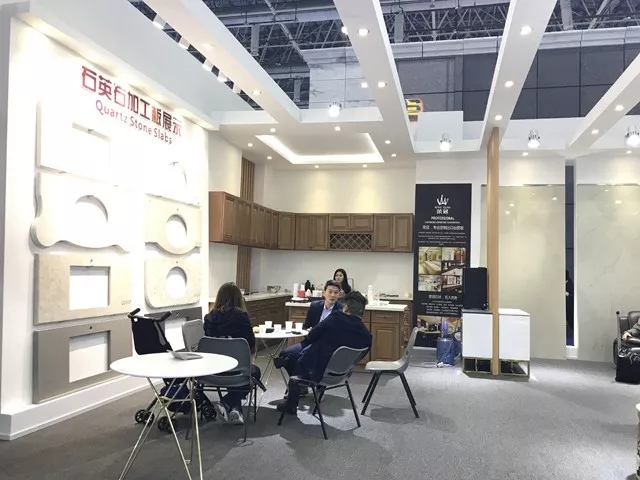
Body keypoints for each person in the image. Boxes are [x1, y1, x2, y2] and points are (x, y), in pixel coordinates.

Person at [276, 290, 373, 415]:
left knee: (290, 357)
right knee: (291, 355)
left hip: (316, 371)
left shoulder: (335, 318)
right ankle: (296, 383)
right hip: (342, 374)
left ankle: (292, 402)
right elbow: (359, 357)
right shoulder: (367, 336)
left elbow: (312, 336)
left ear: (346, 307)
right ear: (363, 311)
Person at [203, 282, 261, 426]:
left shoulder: (209, 318)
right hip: (238, 370)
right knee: (254, 373)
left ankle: (236, 409)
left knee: (235, 371)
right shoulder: (242, 316)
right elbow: (250, 343)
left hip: (214, 371)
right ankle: (228, 402)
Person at [276, 280, 342, 378]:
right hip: (310, 341)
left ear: (339, 295)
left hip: (326, 346)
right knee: (284, 354)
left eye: (336, 293)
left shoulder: (341, 311)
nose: (332, 295)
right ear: (324, 293)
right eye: (330, 291)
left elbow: (339, 334)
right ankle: (298, 380)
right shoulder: (315, 306)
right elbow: (306, 326)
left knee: (301, 358)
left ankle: (300, 381)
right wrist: (308, 331)